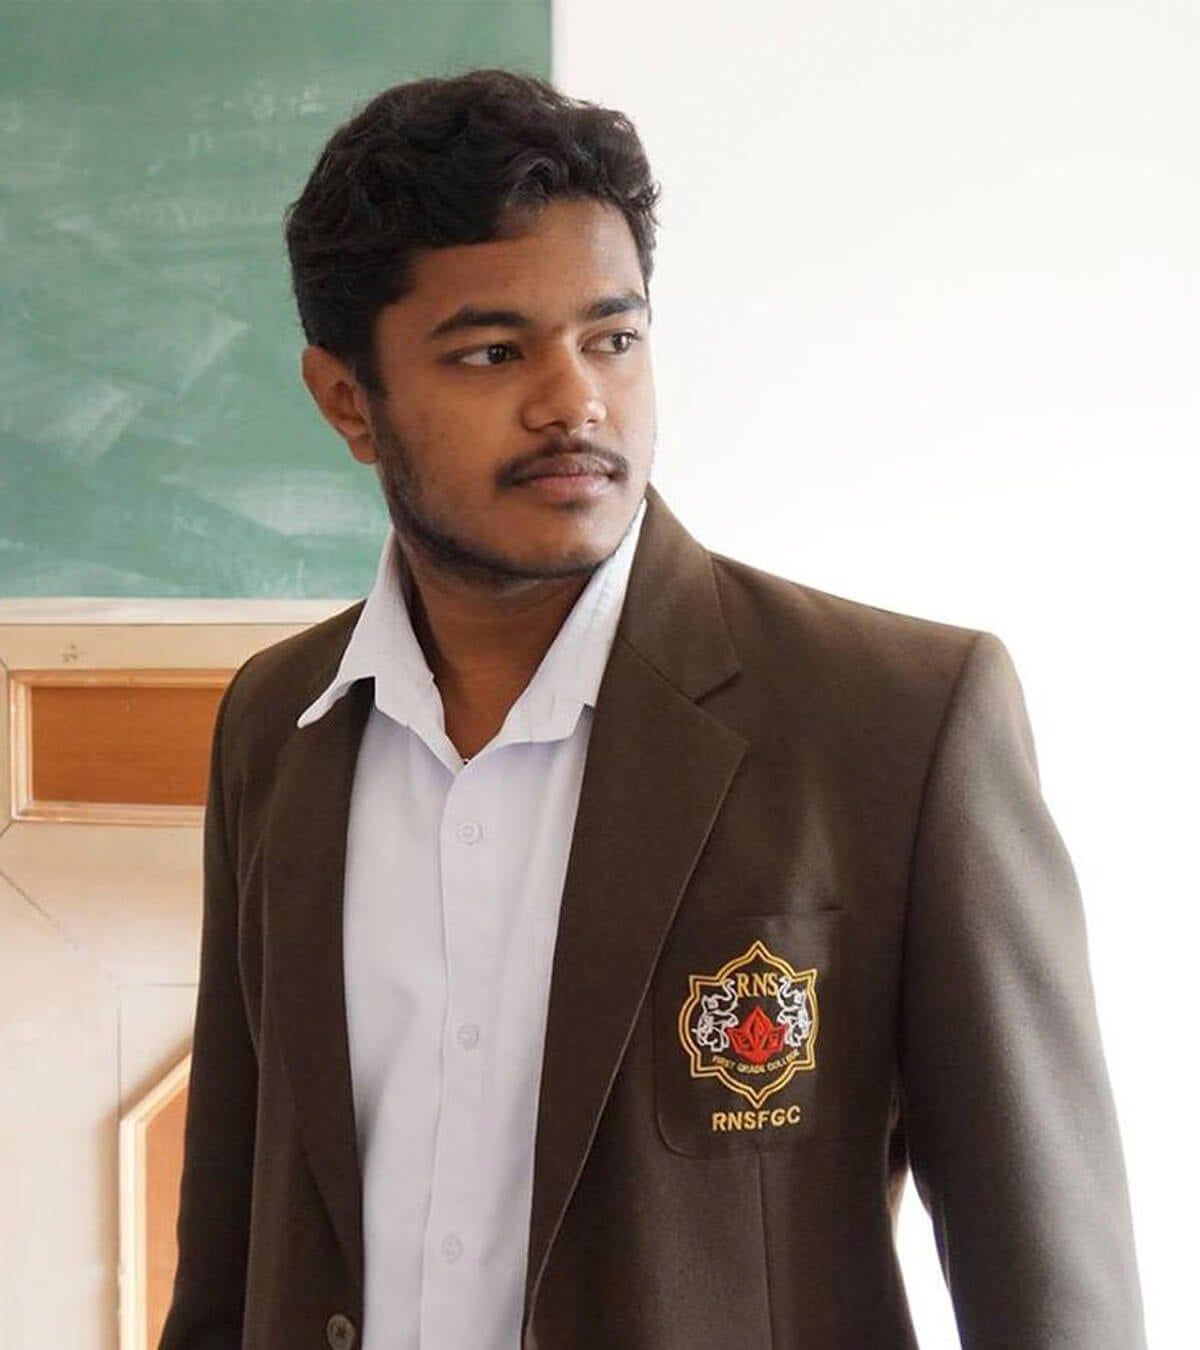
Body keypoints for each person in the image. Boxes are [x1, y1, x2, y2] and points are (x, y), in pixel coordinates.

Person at [160, 68, 1146, 1350]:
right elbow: (229, 1247)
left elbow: (1055, 1293)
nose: (573, 401)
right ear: (349, 398)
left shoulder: (897, 722)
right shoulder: (277, 723)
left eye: (612, 339)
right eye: (493, 352)